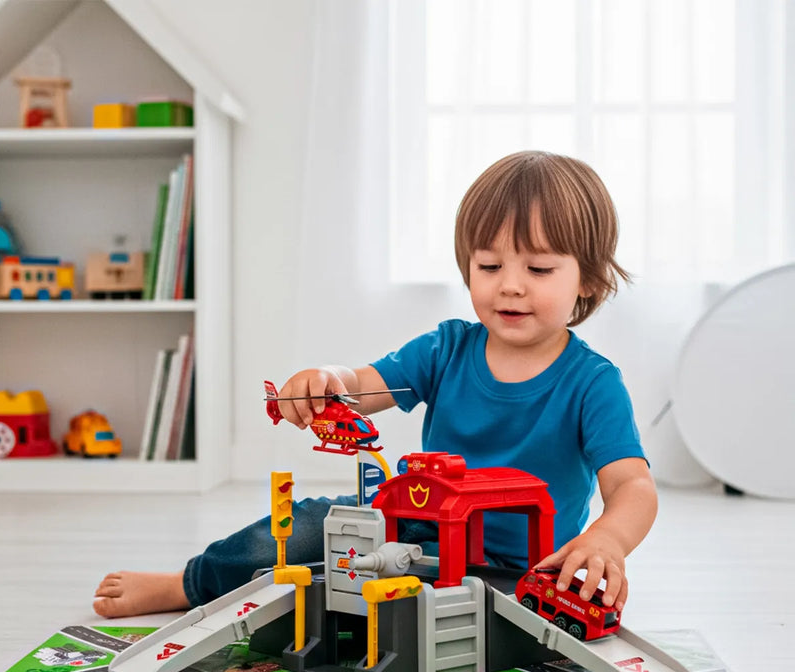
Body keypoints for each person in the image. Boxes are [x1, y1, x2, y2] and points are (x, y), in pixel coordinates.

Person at [94, 150, 657, 619]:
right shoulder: (448, 347)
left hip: (523, 569)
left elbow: (632, 484)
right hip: (416, 525)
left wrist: (609, 538)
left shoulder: (592, 383)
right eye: (489, 267)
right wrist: (328, 381)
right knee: (308, 529)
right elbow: (364, 384)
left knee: (357, 601)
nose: (510, 287)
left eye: (537, 270)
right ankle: (188, 585)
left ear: (587, 277)